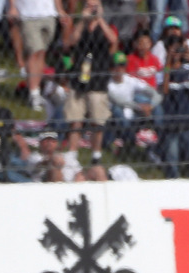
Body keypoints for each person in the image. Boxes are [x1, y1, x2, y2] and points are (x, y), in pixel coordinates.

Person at [64, 0, 116, 166]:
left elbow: (113, 41)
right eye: (89, 5)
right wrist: (82, 20)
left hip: (98, 78)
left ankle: (96, 153)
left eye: (95, 5)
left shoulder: (105, 26)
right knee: (75, 118)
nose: (92, 9)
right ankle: (73, 152)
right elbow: (70, 42)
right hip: (79, 76)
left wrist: (99, 19)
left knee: (97, 119)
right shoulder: (81, 26)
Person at [159, 30, 189, 178]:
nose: (177, 52)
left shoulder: (187, 68)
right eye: (173, 48)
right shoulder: (163, 69)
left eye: (178, 48)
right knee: (172, 157)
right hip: (171, 122)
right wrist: (168, 63)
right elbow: (164, 89)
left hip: (188, 120)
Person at [14, 0, 68, 111]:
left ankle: (37, 90)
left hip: (49, 14)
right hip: (28, 14)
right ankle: (33, 94)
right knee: (34, 52)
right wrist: (12, 6)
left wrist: (60, 10)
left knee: (41, 53)